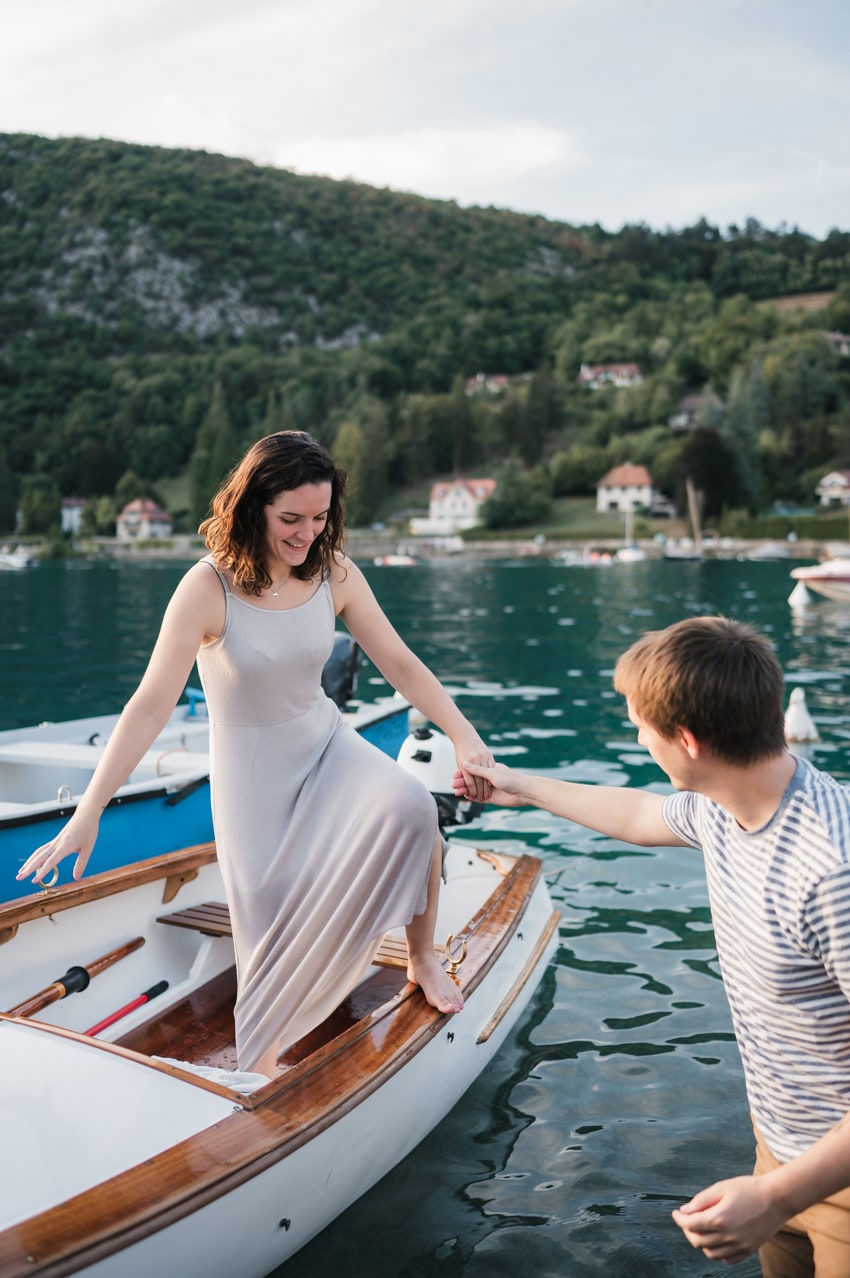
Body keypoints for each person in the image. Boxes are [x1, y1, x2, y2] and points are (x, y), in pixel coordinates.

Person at [18, 430, 494, 1082]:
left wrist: (464, 735)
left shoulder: (334, 573)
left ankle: (421, 959)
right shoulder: (207, 586)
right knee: (264, 928)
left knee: (413, 807)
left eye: (320, 518)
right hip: (250, 773)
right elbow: (150, 707)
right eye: (290, 518)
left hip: (324, 742)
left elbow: (402, 665)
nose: (306, 533)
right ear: (254, 506)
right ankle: (258, 1070)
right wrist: (89, 810)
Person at [455, 615, 850, 1276]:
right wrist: (516, 786)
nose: (637, 739)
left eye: (640, 725)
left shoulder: (831, 872)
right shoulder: (726, 805)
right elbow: (639, 815)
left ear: (688, 741)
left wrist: (777, 1196)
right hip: (782, 1149)